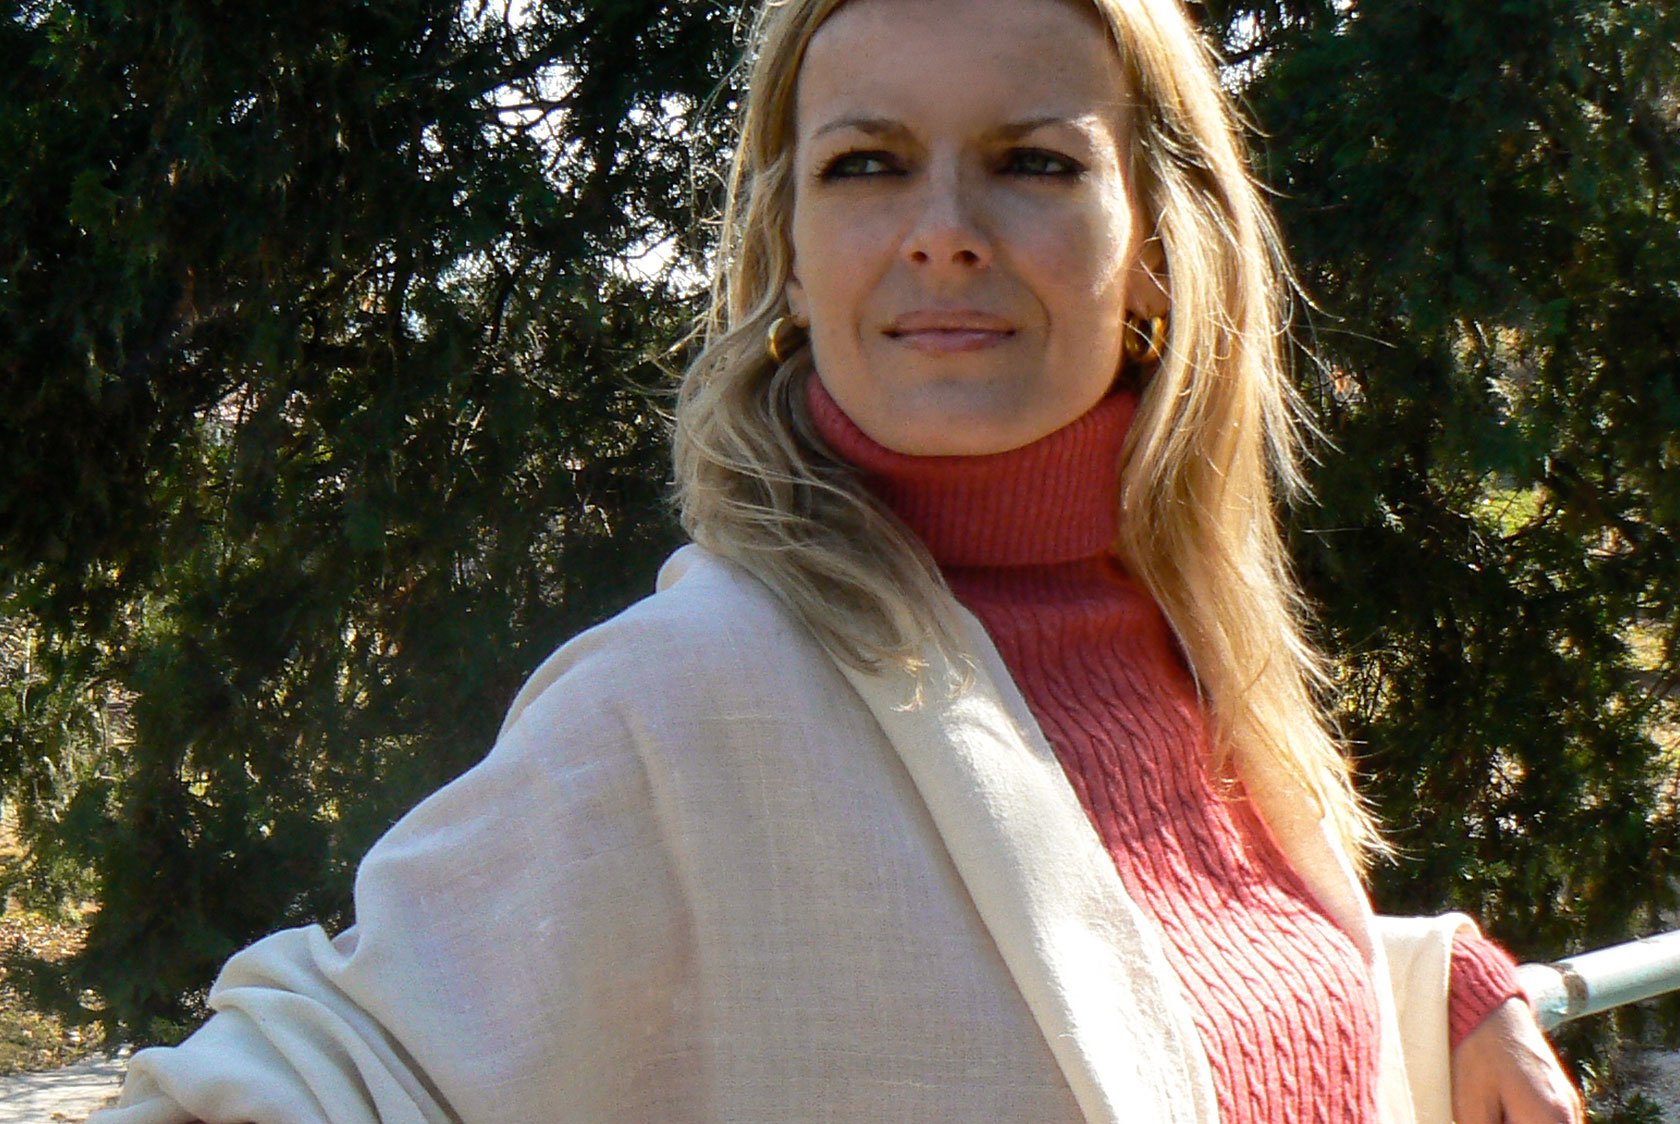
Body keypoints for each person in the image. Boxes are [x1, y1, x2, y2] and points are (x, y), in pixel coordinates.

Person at [95, 0, 1587, 1120]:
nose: (942, 232)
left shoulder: (1184, 650)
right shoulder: (690, 697)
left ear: (1152, 247)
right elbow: (333, 1063)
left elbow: (1122, 1005)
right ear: (792, 254)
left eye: (1030, 163)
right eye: (869, 163)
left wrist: (1439, 986)